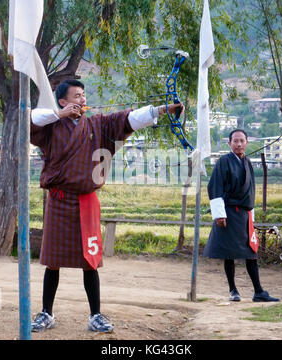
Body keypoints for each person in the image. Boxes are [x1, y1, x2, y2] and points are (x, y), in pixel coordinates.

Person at [30, 79, 184, 333]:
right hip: (58, 200)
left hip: (86, 201)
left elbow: (128, 119)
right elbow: (32, 119)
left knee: (90, 261)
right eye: (76, 96)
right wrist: (59, 115)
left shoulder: (98, 124)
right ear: (63, 101)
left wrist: (161, 110)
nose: (82, 99)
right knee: (52, 261)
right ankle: (46, 312)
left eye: (83, 95)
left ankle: (95, 315)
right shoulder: (51, 125)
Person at [203, 129, 280, 303]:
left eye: (242, 141)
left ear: (246, 143)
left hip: (244, 214)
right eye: (235, 141)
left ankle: (258, 292)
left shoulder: (247, 162)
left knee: (251, 252)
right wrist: (219, 214)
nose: (239, 144)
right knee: (229, 253)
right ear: (229, 143)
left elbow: (250, 191)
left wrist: (251, 214)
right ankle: (233, 290)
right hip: (228, 213)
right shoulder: (224, 162)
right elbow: (215, 187)